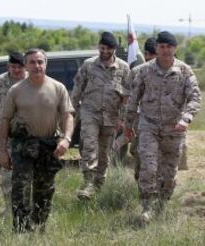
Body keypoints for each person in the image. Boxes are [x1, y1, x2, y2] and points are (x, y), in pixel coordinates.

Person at [124, 31, 201, 223]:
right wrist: (128, 124)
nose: (165, 50)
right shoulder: (144, 71)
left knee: (169, 175)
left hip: (174, 130)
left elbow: (194, 98)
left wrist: (186, 118)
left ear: (174, 49)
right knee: (148, 168)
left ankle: (161, 205)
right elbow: (133, 100)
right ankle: (147, 208)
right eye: (161, 47)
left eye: (169, 47)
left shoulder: (184, 71)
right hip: (149, 127)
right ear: (156, 49)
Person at [0, 48, 74, 233]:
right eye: (32, 62)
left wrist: (66, 138)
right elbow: (5, 120)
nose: (37, 66)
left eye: (40, 62)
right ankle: (22, 232)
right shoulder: (16, 90)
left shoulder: (58, 88)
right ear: (26, 65)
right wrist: (2, 149)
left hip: (48, 147)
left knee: (45, 191)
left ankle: (39, 228)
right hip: (23, 147)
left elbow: (68, 116)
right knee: (20, 191)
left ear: (46, 64)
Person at [71, 31, 130, 200]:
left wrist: (123, 119)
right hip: (90, 113)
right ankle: (88, 183)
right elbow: (77, 91)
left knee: (105, 153)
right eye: (102, 48)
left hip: (111, 117)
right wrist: (71, 114)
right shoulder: (88, 65)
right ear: (99, 47)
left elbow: (126, 97)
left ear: (114, 50)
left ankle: (98, 186)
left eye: (109, 49)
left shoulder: (123, 68)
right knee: (89, 146)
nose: (105, 52)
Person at [0, 51, 26, 217]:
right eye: (12, 66)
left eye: (19, 67)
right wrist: (3, 119)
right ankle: (10, 211)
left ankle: (26, 211)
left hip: (27, 135)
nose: (16, 70)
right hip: (6, 136)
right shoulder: (0, 81)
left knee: (27, 177)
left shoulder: (31, 80)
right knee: (8, 177)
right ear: (8, 66)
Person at [129, 37, 157, 181]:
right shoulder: (136, 72)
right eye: (148, 54)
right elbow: (128, 99)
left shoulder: (168, 71)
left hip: (161, 122)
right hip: (141, 121)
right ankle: (141, 179)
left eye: (154, 54)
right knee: (139, 151)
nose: (150, 58)